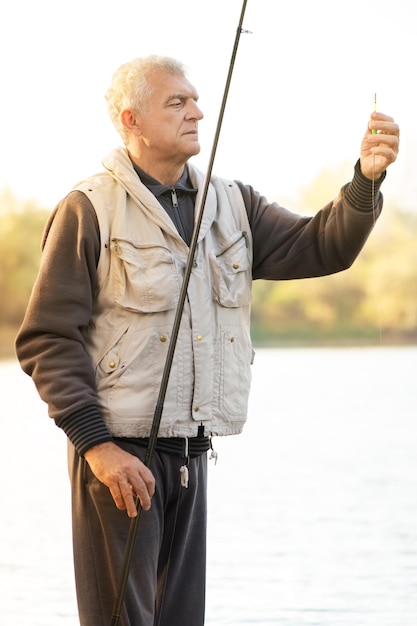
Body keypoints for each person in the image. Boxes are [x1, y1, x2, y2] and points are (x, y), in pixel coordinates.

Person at [15, 55, 399, 626]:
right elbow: (48, 338)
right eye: (177, 102)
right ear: (133, 120)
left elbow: (324, 247)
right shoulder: (88, 207)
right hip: (116, 460)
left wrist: (365, 181)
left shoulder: (234, 202)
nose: (198, 111)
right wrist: (98, 448)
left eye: (196, 99)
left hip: (191, 457)